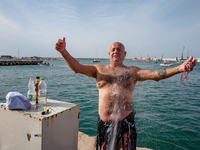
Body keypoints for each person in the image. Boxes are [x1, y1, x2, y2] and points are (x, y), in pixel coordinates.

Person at [55, 37, 196, 150]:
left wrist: (180, 68)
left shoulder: (132, 72)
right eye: (113, 50)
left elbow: (155, 74)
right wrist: (63, 52)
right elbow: (77, 68)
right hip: (103, 123)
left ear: (124, 54)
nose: (116, 51)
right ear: (109, 54)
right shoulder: (98, 69)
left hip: (125, 122)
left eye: (119, 50)